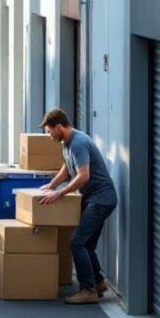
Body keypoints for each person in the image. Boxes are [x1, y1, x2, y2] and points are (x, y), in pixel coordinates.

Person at [37, 108, 118, 304]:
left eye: (49, 131)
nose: (49, 136)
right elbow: (68, 167)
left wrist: (60, 193)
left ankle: (88, 290)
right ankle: (97, 282)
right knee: (87, 243)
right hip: (94, 199)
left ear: (59, 127)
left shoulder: (79, 143)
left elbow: (83, 175)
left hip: (101, 199)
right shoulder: (67, 142)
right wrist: (52, 184)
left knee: (77, 242)